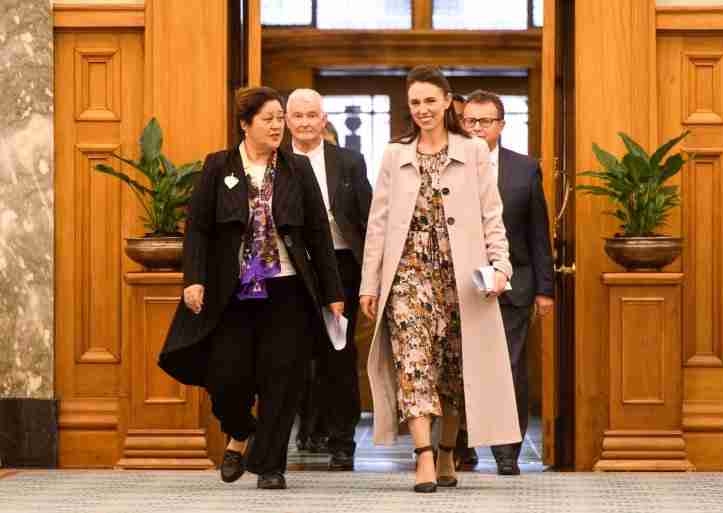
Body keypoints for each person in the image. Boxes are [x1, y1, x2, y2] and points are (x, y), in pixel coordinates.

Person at [158, 86, 344, 490]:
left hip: (288, 290)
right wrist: (194, 279)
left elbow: (317, 235)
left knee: (284, 378)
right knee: (227, 377)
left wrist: (333, 293)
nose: (278, 126)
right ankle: (240, 431)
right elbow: (198, 231)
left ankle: (271, 465)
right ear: (245, 124)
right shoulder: (217, 166)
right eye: (269, 119)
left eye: (281, 118)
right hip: (234, 291)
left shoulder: (298, 169)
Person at [359, 65, 521, 493]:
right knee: (413, 364)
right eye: (415, 102)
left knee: (453, 369)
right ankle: (423, 456)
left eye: (431, 100)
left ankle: (448, 449)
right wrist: (369, 284)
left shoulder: (474, 151)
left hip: (461, 277)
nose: (423, 109)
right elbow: (378, 223)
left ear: (449, 101)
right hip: (408, 275)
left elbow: (492, 215)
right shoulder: (395, 154)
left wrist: (501, 266)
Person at [461, 89, 555, 475]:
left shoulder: (524, 168)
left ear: (502, 125)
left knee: (509, 368)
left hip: (514, 286)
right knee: (462, 368)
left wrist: (545, 290)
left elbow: (538, 233)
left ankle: (506, 453)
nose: (478, 128)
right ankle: (460, 448)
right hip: (461, 286)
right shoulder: (447, 164)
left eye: (485, 121)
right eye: (470, 121)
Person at [286, 88, 372, 471]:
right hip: (289, 268)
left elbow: (368, 220)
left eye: (312, 115)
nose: (305, 122)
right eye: (297, 115)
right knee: (289, 355)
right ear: (287, 120)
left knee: (338, 355)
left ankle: (342, 442)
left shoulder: (349, 162)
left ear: (324, 119)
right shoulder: (276, 161)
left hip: (341, 267)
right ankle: (291, 435)